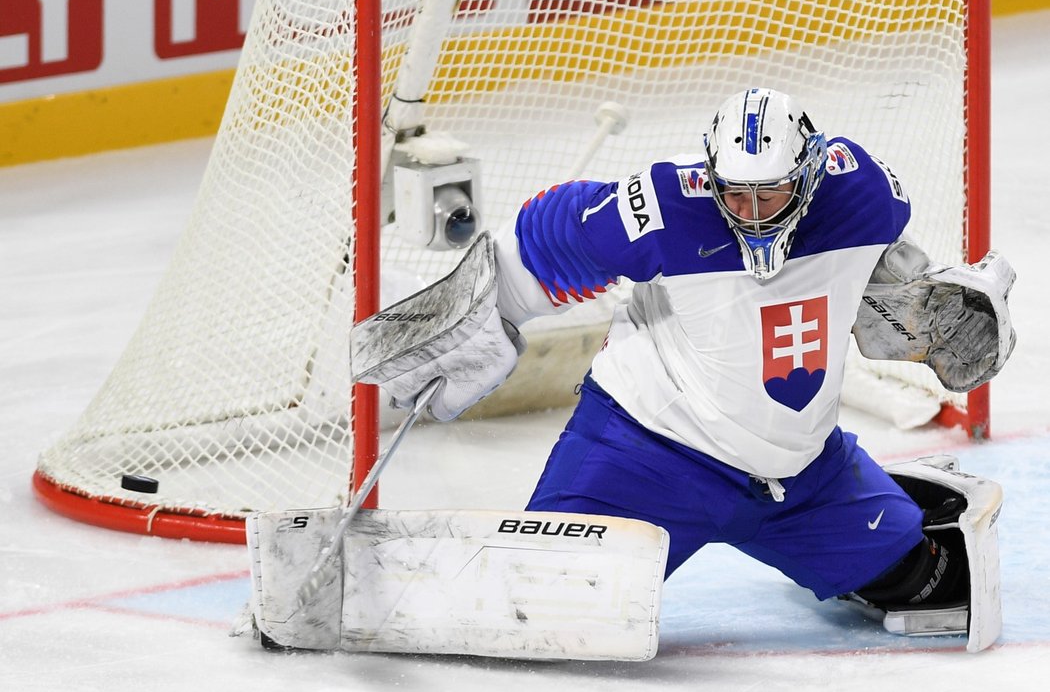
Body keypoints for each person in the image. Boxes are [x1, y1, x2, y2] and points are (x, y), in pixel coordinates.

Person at [381, 86, 1015, 647]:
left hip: (802, 476)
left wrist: (921, 292)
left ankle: (896, 508)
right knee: (535, 607)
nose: (755, 212)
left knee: (927, 582)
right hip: (647, 456)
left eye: (773, 192)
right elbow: (555, 234)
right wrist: (484, 309)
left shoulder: (863, 195)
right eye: (736, 194)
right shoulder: (666, 208)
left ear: (812, 170)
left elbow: (885, 260)